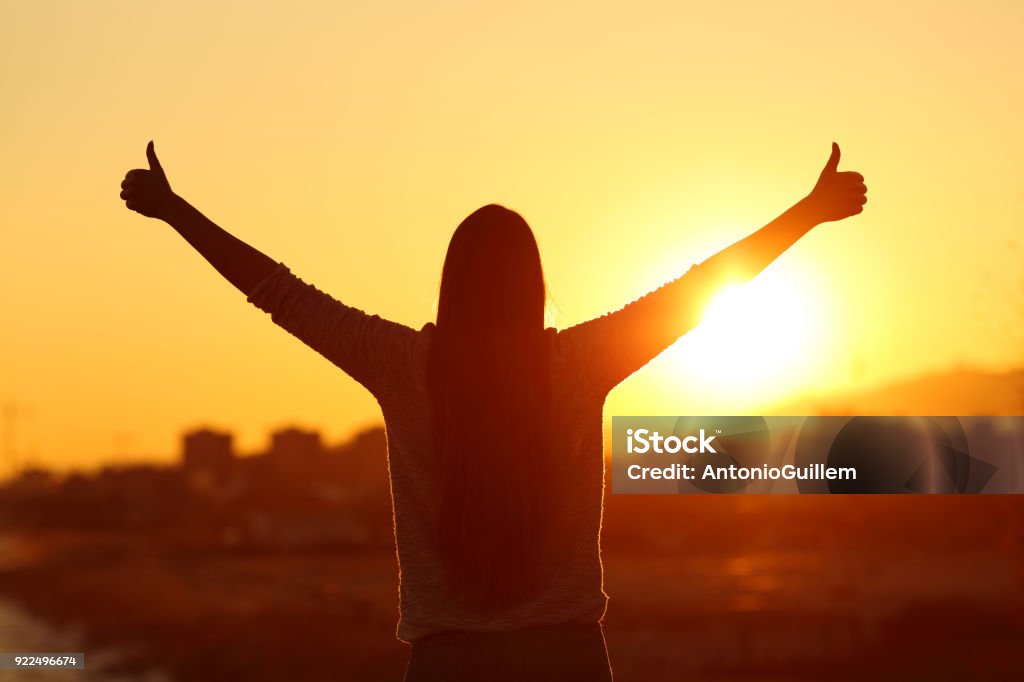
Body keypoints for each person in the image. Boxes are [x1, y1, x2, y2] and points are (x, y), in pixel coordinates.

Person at [120, 141, 866, 681]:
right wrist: (809, 212)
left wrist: (174, 210)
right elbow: (700, 292)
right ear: (533, 286)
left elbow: (277, 291)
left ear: (452, 285)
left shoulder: (405, 366)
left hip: (447, 663)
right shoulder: (575, 366)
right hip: (567, 660)